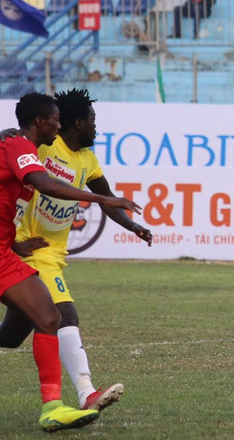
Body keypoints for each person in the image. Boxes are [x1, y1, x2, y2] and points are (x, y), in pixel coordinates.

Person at [1, 88, 150, 416]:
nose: (96, 128)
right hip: (32, 249)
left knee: (11, 336)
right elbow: (40, 179)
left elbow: (107, 196)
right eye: (93, 121)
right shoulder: (42, 145)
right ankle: (84, 393)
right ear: (76, 122)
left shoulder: (86, 159)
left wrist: (133, 226)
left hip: (43, 252)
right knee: (61, 314)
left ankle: (65, 401)